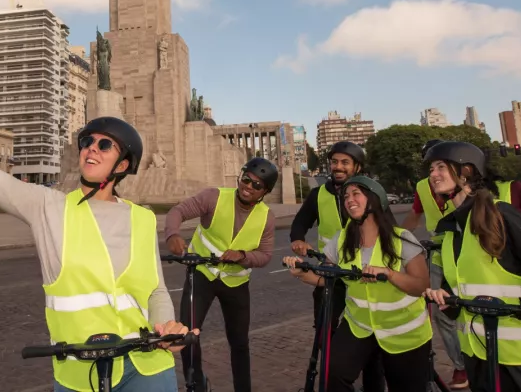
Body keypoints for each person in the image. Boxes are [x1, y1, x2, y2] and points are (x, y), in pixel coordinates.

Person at [0, 49, 194, 392]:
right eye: (86, 142)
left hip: (147, 366)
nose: (91, 149)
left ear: (124, 164)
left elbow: (155, 289)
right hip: (78, 371)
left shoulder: (142, 219)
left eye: (104, 145)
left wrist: (166, 328)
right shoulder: (47, 206)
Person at [402, 139, 521, 391]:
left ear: (466, 171)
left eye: (440, 168)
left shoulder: (500, 213)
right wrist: (445, 299)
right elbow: (458, 291)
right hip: (477, 354)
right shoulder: (448, 230)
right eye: (430, 170)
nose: (433, 175)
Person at [284, 175, 432, 392]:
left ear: (374, 200)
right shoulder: (341, 239)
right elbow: (326, 278)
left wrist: (389, 274)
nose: (349, 200)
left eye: (356, 194)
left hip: (403, 332)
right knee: (333, 374)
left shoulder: (402, 239)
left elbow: (421, 285)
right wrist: (301, 272)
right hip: (359, 326)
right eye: (345, 196)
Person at [164, 158, 277, 392]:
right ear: (240, 176)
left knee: (240, 343)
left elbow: (265, 255)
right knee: (188, 335)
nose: (249, 186)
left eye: (257, 185)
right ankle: (196, 385)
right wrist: (173, 234)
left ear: (265, 192)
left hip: (236, 284)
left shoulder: (267, 217)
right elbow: (178, 211)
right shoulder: (213, 197)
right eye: (246, 179)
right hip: (202, 276)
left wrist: (243, 255)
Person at [289, 141, 385, 392]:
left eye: (345, 162)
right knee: (324, 332)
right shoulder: (319, 194)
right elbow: (300, 223)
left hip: (365, 273)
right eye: (334, 162)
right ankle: (338, 380)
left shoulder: (369, 192)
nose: (338, 167)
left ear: (357, 166)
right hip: (330, 272)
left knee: (370, 336)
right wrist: (298, 240)